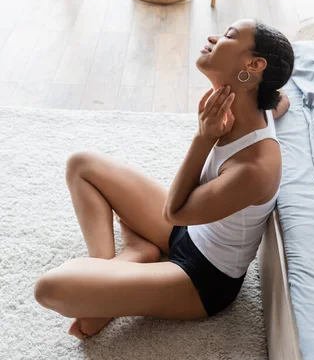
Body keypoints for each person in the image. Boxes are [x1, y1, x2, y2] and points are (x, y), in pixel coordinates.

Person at [33, 18, 294, 340]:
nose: (213, 37)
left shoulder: (254, 169)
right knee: (81, 164)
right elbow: (282, 100)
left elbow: (174, 212)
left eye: (228, 36)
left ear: (253, 65)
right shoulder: (257, 104)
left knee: (49, 288)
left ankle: (114, 277)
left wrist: (204, 138)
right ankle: (113, 275)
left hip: (201, 279)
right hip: (187, 231)